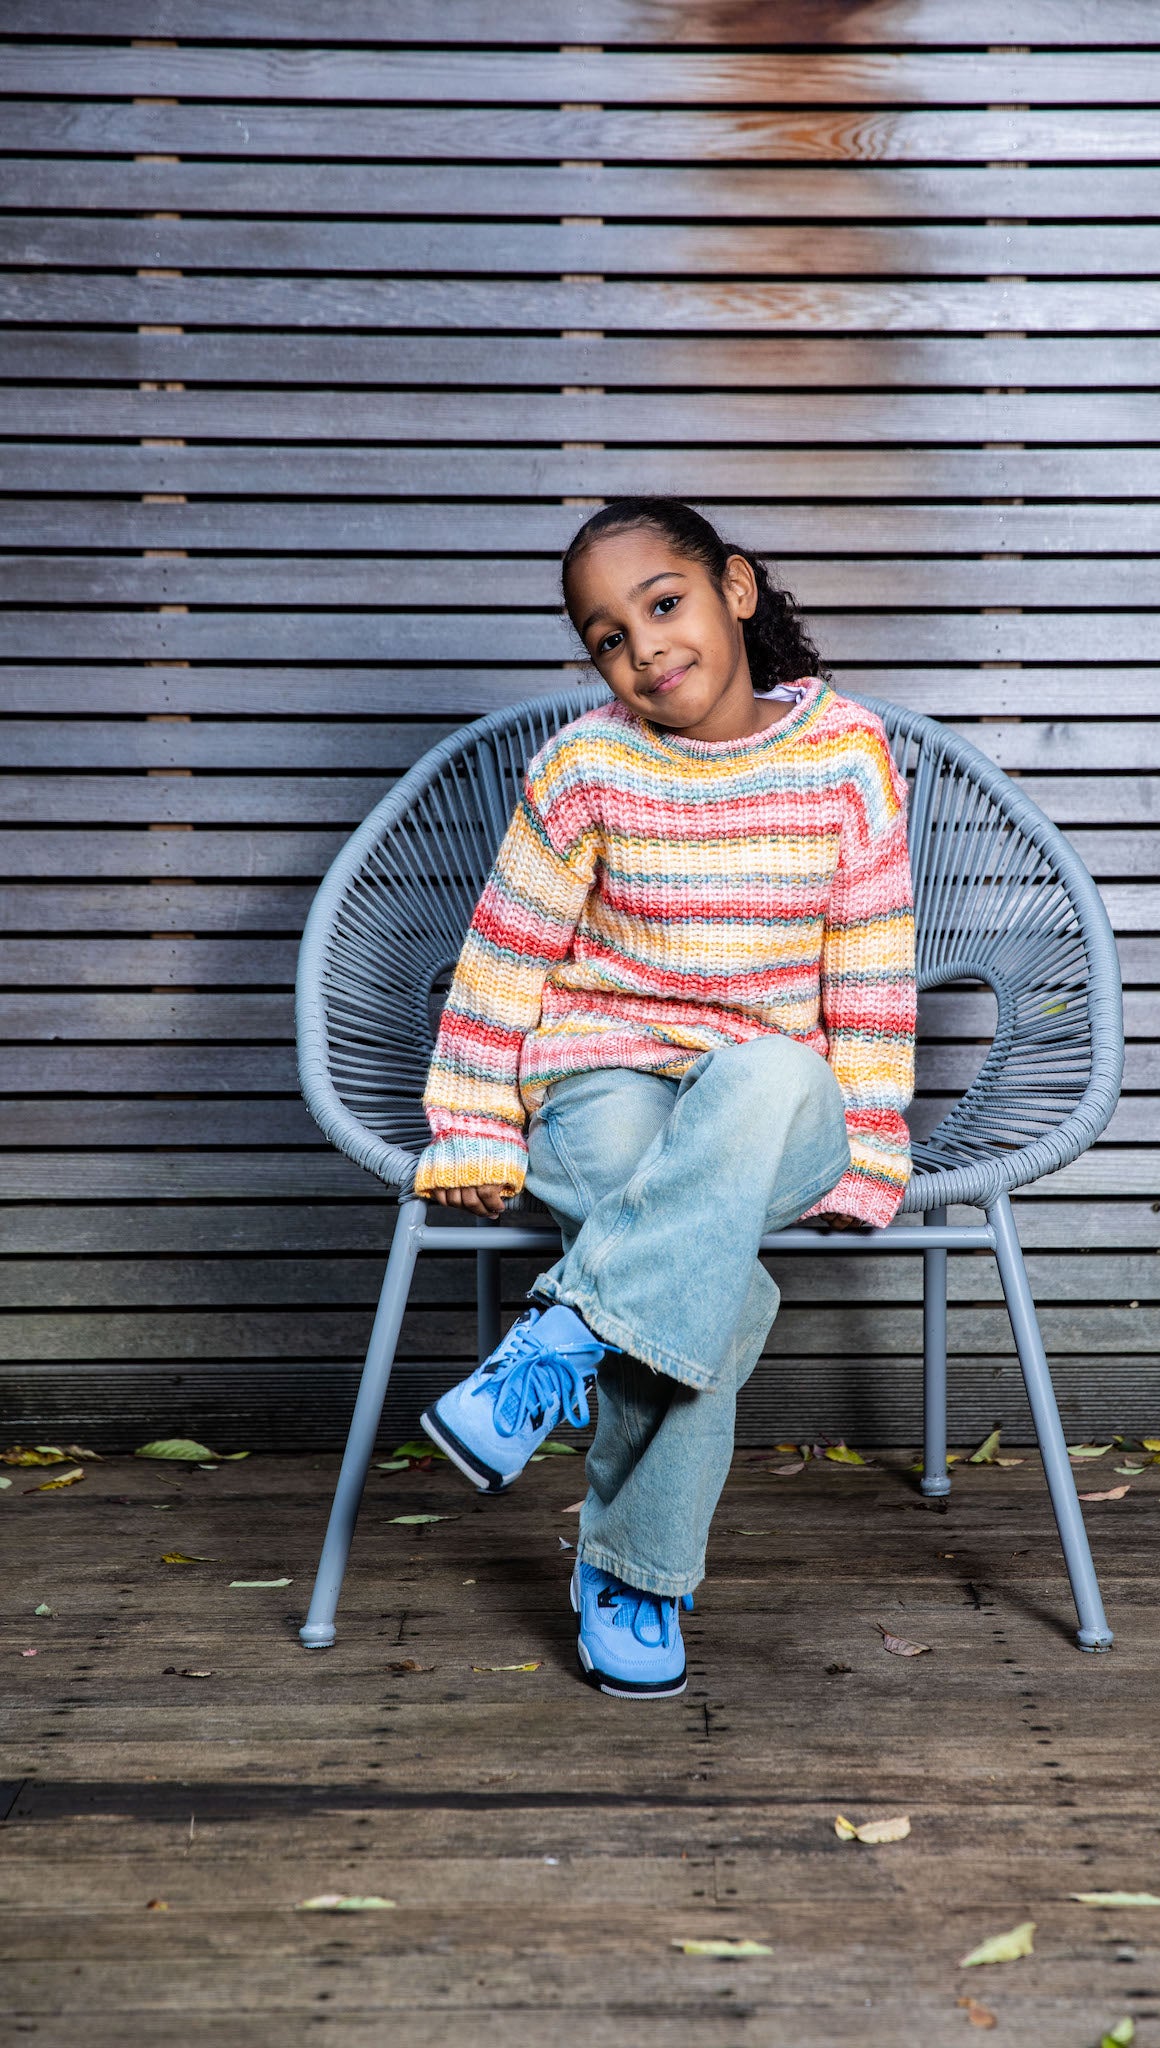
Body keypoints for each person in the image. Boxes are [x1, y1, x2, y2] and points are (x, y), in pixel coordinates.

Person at [413, 496, 916, 1699]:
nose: (641, 646)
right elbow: (505, 952)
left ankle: (562, 1334)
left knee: (771, 1071)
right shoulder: (586, 765)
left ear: (736, 588)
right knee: (711, 1283)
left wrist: (874, 1142)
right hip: (604, 1079)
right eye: (605, 634)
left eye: (664, 602)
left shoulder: (845, 756)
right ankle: (636, 1573)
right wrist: (474, 1121)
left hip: (769, 1105)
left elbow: (874, 961)